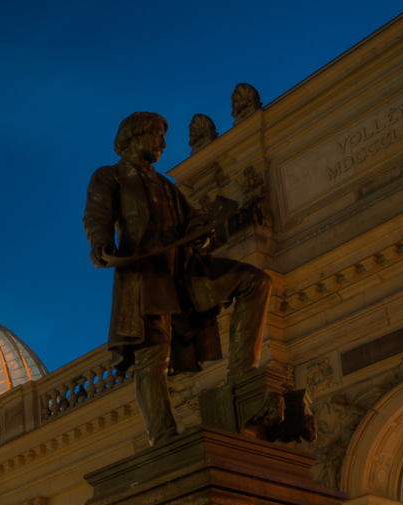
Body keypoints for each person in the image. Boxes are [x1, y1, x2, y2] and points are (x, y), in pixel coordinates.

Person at [84, 110, 272, 444]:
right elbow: (96, 216)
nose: (163, 143)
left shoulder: (166, 186)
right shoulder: (110, 176)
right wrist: (101, 243)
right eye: (157, 135)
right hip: (146, 272)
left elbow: (192, 223)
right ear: (135, 135)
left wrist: (203, 229)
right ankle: (163, 435)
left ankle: (242, 375)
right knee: (152, 353)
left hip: (185, 269)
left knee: (255, 281)